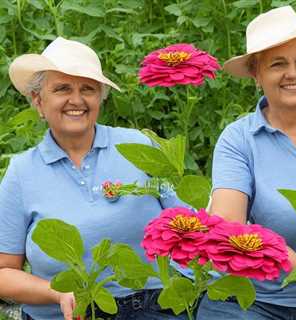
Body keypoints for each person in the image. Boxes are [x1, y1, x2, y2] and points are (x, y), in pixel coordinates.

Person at [0, 37, 188, 320]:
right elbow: (4, 272)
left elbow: (185, 223)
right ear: (39, 101)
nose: (76, 100)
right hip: (65, 314)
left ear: (99, 98)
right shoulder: (21, 173)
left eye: (87, 89)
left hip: (152, 306)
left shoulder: (138, 147)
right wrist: (57, 292)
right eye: (62, 88)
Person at [196, 6, 296, 320]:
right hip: (249, 302)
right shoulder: (239, 139)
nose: (292, 73)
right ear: (257, 76)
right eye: (277, 64)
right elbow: (228, 225)